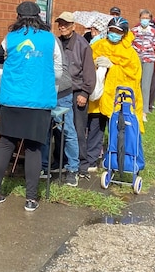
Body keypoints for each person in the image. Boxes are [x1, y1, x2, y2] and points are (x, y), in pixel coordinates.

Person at [0, 1, 61, 212]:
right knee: (34, 147)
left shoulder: (9, 39)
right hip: (39, 101)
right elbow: (59, 71)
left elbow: (0, 62)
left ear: (18, 16)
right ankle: (30, 199)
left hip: (11, 99)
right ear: (40, 17)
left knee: (6, 144)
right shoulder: (50, 39)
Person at [85, 16, 143, 172]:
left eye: (117, 31)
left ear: (124, 33)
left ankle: (118, 160)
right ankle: (91, 160)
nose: (114, 34)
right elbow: (87, 62)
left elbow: (133, 76)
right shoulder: (98, 45)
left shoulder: (130, 53)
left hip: (118, 98)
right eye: (111, 30)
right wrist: (95, 64)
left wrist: (113, 67)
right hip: (99, 96)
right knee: (95, 128)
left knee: (117, 130)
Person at [52, 11, 96, 183]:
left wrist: (85, 92)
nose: (62, 27)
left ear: (73, 26)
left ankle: (81, 166)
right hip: (60, 91)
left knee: (77, 130)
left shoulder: (82, 45)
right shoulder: (56, 42)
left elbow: (89, 72)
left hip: (77, 92)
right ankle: (59, 161)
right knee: (58, 129)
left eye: (66, 24)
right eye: (60, 24)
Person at [130, 9, 155, 122]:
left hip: (148, 59)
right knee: (135, 83)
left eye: (147, 18)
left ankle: (144, 111)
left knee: (146, 85)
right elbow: (131, 43)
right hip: (136, 59)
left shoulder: (153, 31)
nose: (145, 20)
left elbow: (154, 44)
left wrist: (145, 48)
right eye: (143, 18)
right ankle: (133, 107)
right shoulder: (134, 31)